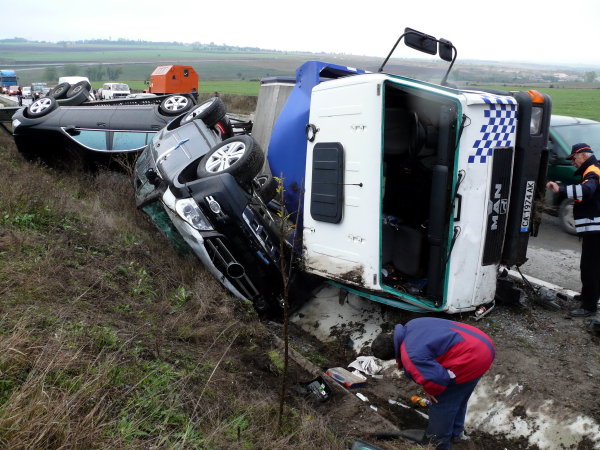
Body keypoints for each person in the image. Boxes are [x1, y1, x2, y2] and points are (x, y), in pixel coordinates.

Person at [371, 317, 495, 450]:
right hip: (482, 345)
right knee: (458, 397)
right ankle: (456, 434)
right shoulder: (412, 324)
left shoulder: (410, 354)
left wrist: (431, 391)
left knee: (441, 403)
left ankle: (437, 444)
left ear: (392, 356)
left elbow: (437, 380)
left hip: (470, 358)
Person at [547, 142, 600, 318]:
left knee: (589, 267)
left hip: (596, 229)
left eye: (574, 158)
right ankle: (588, 296)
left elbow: (586, 191)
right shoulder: (594, 168)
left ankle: (589, 306)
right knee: (592, 266)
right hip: (594, 227)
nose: (573, 163)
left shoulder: (592, 171)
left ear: (584, 155)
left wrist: (561, 189)